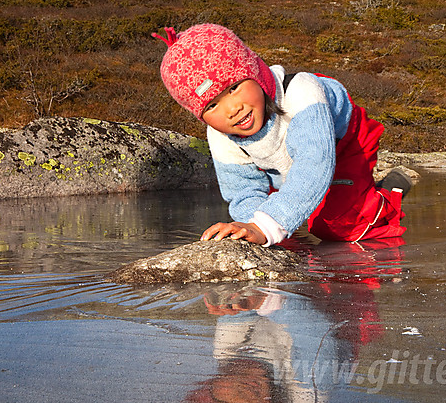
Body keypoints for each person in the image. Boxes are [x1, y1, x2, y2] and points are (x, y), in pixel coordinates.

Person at [153, 23, 409, 247]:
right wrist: (253, 226)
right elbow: (243, 190)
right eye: (211, 105)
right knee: (279, 229)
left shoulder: (303, 92)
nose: (232, 109)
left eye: (233, 88)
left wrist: (267, 227)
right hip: (283, 161)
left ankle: (386, 194)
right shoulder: (220, 134)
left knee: (338, 226)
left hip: (341, 145)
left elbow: (313, 165)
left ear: (255, 73)